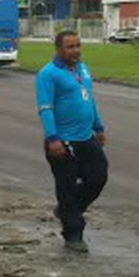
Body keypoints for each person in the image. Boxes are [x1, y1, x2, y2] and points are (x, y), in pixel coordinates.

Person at [36, 30, 108, 253]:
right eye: (70, 47)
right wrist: (52, 138)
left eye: (78, 46)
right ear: (58, 49)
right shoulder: (48, 74)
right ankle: (73, 233)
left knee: (98, 177)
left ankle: (67, 210)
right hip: (62, 140)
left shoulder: (82, 69)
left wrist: (99, 126)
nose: (75, 51)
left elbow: (90, 98)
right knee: (66, 187)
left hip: (87, 137)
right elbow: (45, 108)